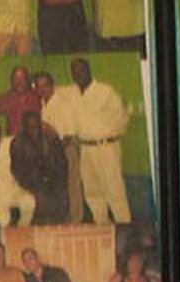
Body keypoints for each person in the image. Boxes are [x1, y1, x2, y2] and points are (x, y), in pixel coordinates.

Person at [45, 58, 133, 224]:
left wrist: (106, 133)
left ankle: (125, 225)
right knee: (92, 192)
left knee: (114, 191)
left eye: (81, 70)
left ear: (89, 70)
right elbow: (49, 89)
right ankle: (101, 224)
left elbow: (122, 118)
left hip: (106, 147)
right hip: (85, 148)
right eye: (74, 71)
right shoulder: (71, 93)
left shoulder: (105, 92)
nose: (78, 74)